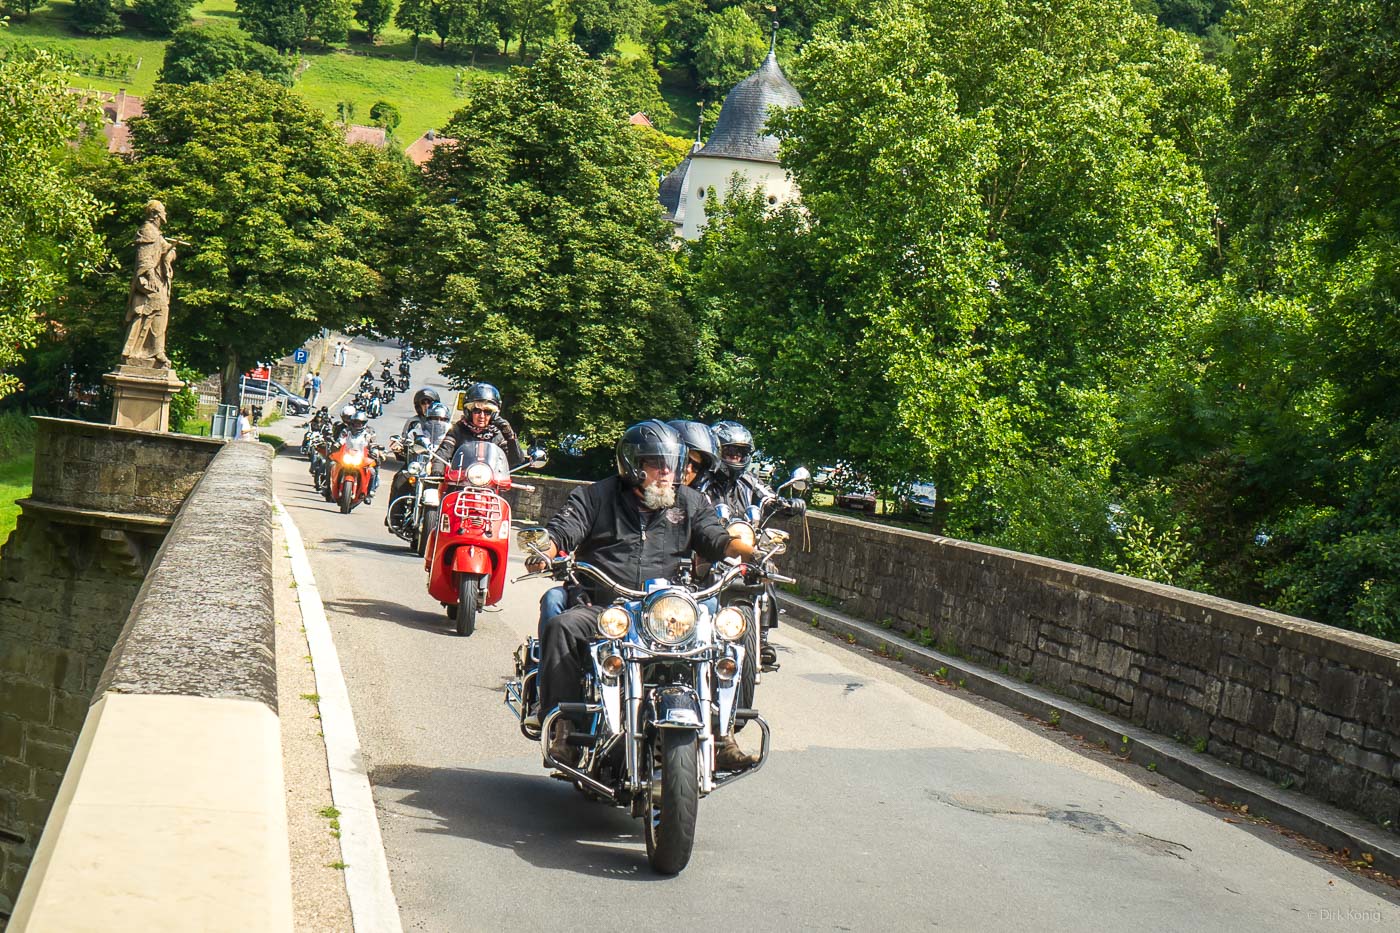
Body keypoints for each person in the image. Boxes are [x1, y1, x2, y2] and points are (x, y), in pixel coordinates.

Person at [524, 420, 762, 770]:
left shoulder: (690, 502)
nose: (667, 473)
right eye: (656, 464)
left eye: (673, 465)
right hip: (607, 609)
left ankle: (723, 735)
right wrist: (546, 549)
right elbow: (563, 530)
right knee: (563, 626)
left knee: (723, 634)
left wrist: (750, 553)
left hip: (666, 615)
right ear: (633, 465)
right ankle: (565, 729)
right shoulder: (595, 497)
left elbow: (717, 538)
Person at [435, 382, 525, 468]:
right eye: (476, 410)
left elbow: (515, 461)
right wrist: (437, 471)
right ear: (469, 412)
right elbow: (443, 453)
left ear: (493, 414)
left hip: (491, 478)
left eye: (487, 411)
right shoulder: (457, 430)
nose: (482, 416)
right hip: (461, 477)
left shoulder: (497, 434)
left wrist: (510, 436)